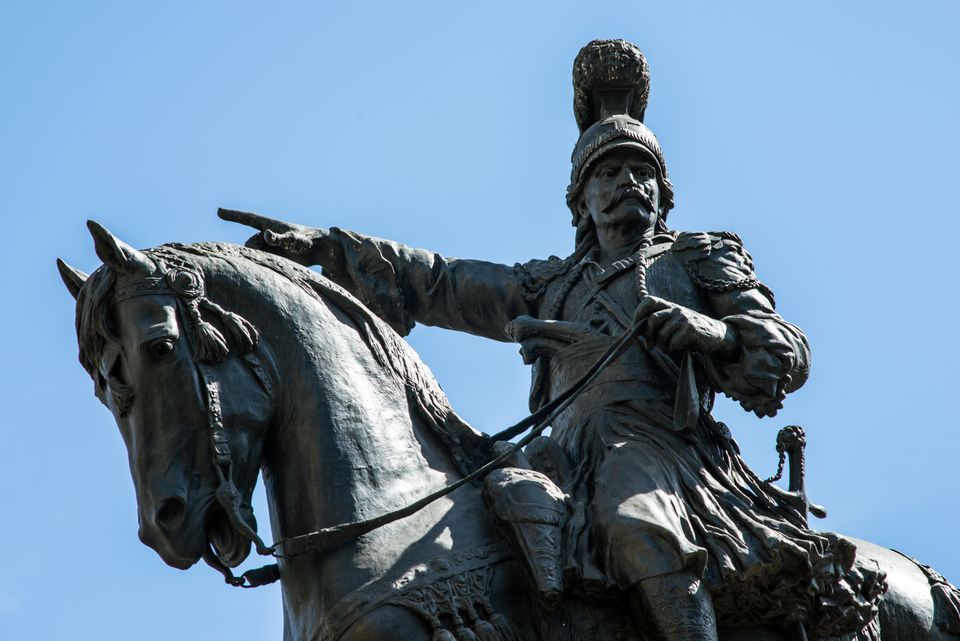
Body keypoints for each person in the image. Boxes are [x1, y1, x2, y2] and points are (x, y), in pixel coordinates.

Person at [221, 39, 881, 641]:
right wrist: (327, 246)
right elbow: (442, 280)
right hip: (559, 456)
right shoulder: (550, 284)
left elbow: (785, 351)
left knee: (633, 520)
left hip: (658, 449)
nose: (627, 183)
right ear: (582, 200)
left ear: (662, 191)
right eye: (608, 174)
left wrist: (713, 332)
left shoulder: (697, 258)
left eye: (641, 172)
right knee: (478, 517)